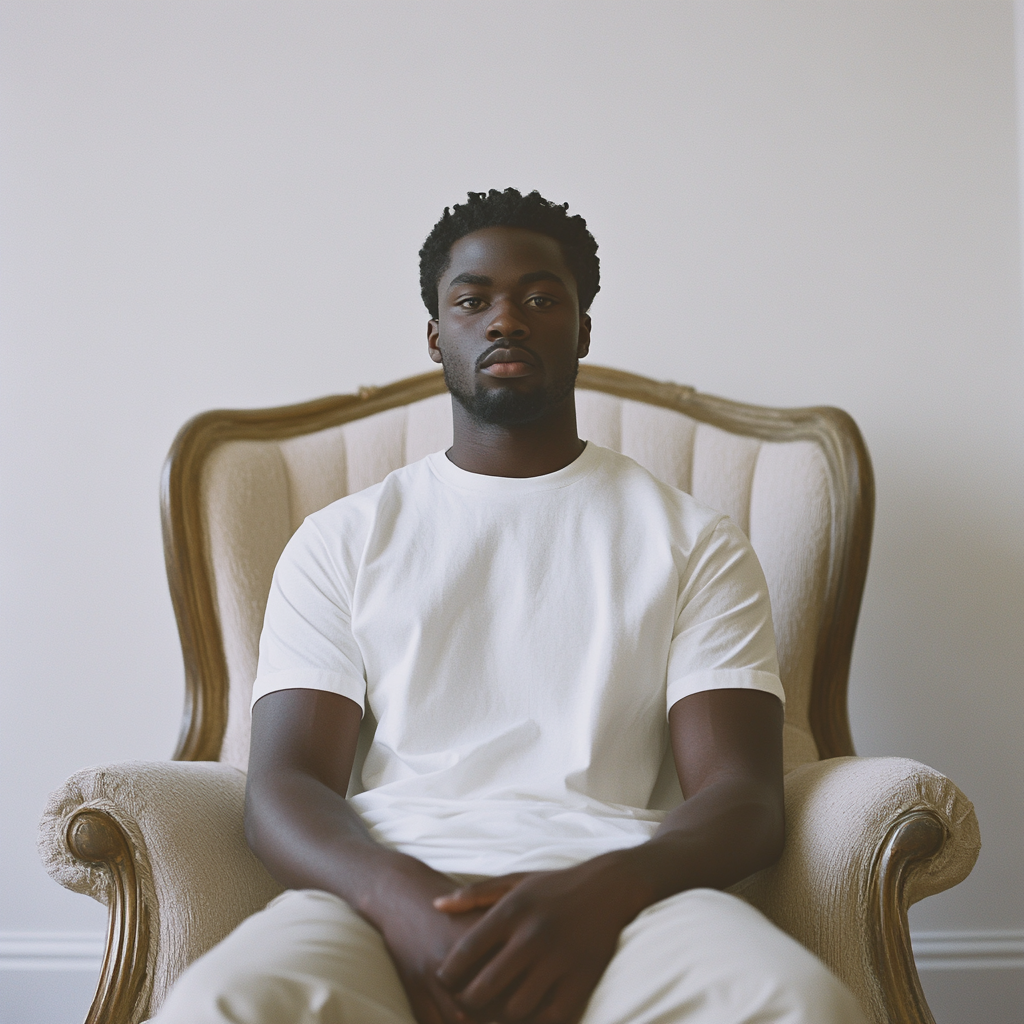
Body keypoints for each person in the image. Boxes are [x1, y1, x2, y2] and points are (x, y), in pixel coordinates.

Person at [155, 189, 867, 1024]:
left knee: (795, 1004)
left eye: (539, 298)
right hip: (382, 890)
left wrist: (602, 895)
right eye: (472, 299)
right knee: (223, 1004)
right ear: (435, 334)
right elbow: (284, 785)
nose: (506, 319)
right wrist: (401, 900)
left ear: (583, 331)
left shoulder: (695, 541)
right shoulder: (340, 539)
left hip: (627, 893)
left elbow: (743, 797)